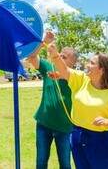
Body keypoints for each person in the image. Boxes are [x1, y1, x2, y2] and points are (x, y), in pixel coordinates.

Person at [48, 42, 108, 169]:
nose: (87, 65)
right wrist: (55, 55)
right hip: (77, 134)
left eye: (92, 63)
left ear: (102, 70)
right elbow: (64, 70)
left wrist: (107, 121)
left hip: (100, 140)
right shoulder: (81, 79)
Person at [27, 31, 77, 169]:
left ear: (73, 62)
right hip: (44, 124)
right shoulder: (49, 67)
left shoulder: (76, 77)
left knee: (65, 164)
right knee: (41, 163)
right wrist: (44, 42)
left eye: (64, 57)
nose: (59, 58)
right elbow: (31, 57)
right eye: (60, 55)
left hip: (65, 128)